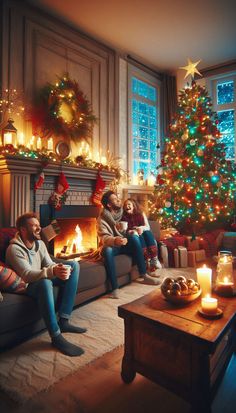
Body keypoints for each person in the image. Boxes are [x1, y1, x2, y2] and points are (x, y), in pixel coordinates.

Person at [6, 212, 86, 357]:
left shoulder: (40, 244)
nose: (39, 228)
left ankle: (64, 319)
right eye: (34, 226)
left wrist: (59, 268)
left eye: (38, 225)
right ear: (23, 230)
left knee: (74, 266)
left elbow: (49, 264)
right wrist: (52, 271)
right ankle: (55, 336)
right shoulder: (14, 249)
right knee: (45, 282)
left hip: (41, 277)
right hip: (28, 285)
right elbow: (27, 275)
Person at [97, 191, 159, 299]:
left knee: (135, 237)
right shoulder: (102, 219)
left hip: (124, 243)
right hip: (113, 245)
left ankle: (144, 274)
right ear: (109, 204)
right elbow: (103, 238)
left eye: (118, 198)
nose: (118, 200)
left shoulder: (122, 212)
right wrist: (115, 240)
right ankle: (115, 288)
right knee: (107, 251)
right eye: (115, 199)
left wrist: (131, 232)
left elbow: (134, 220)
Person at [122, 198, 162, 275]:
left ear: (133, 206)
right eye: (125, 205)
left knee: (147, 232)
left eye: (129, 204)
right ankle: (147, 262)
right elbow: (123, 231)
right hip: (133, 235)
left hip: (142, 232)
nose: (127, 206)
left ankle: (154, 259)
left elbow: (147, 227)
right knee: (139, 236)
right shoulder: (123, 217)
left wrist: (141, 228)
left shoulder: (140, 213)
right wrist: (131, 232)